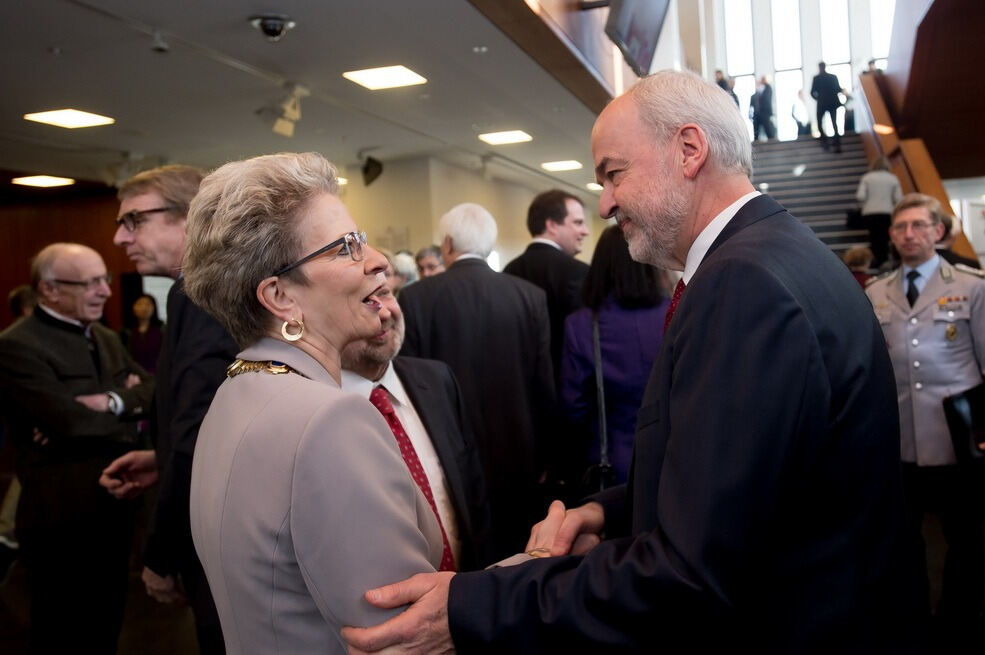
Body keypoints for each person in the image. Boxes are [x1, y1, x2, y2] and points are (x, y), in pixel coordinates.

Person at [343, 69, 919, 654]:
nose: (606, 203)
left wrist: (473, 604)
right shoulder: (775, 253)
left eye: (614, 174)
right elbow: (742, 481)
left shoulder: (742, 285)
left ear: (689, 150)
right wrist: (606, 512)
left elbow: (694, 572)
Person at [180, 151, 447, 654]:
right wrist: (539, 565)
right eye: (346, 248)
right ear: (281, 297)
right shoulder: (331, 419)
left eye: (361, 240)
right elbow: (404, 637)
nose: (378, 260)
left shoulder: (233, 394)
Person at [101, 164, 236, 653]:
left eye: (134, 219)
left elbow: (199, 432)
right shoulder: (199, 291)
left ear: (190, 218)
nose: (120, 237)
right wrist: (160, 459)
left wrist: (160, 554)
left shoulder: (200, 294)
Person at [0, 243, 154, 653]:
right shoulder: (17, 344)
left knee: (106, 627)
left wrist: (114, 403)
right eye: (90, 283)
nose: (105, 291)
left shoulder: (105, 336)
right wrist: (128, 412)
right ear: (49, 290)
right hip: (60, 520)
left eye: (103, 280)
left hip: (114, 510)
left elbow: (155, 391)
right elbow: (69, 421)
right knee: (60, 634)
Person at [398, 202, 555, 560]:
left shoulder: (416, 298)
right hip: (519, 450)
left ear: (448, 245)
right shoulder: (529, 297)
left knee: (468, 555)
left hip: (448, 455)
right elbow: (542, 381)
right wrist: (547, 456)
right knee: (521, 554)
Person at [865, 193, 985, 648]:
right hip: (901, 441)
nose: (908, 235)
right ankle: (913, 623)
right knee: (903, 541)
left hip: (956, 440)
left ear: (939, 231)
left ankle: (960, 625)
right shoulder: (877, 292)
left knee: (966, 540)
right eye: (900, 228)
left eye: (918, 226)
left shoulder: (973, 287)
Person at [340, 277, 494, 570]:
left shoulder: (437, 380)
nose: (384, 312)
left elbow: (474, 498)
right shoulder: (311, 413)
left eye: (385, 293)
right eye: (363, 300)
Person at [559, 225, 669, 484]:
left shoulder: (582, 324)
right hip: (674, 456)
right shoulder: (676, 313)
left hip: (610, 462)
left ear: (600, 267)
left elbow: (573, 407)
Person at [503, 189, 590, 386]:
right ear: (551, 225)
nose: (585, 231)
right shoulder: (577, 272)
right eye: (577, 222)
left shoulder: (509, 270)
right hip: (567, 387)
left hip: (519, 388)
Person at [856, 156, 903, 267]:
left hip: (870, 213)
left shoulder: (867, 177)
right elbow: (899, 198)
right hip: (887, 212)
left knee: (874, 236)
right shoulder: (893, 178)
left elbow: (860, 196)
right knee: (884, 237)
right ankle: (884, 259)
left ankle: (874, 259)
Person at [120, 293, 164, 373]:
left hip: (158, 375)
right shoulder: (126, 332)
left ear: (154, 307)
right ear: (133, 307)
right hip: (134, 377)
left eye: (148, 304)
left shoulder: (162, 330)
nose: (144, 308)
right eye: (140, 304)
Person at [811, 61, 848, 152]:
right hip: (830, 104)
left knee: (825, 123)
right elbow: (838, 89)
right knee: (832, 123)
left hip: (824, 104)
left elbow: (812, 92)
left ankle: (828, 142)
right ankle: (833, 143)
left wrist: (819, 99)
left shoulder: (818, 78)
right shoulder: (832, 77)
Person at [749, 75, 776, 140]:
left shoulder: (767, 88)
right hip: (756, 115)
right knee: (756, 132)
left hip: (765, 113)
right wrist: (750, 115)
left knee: (769, 131)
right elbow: (751, 107)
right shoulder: (753, 96)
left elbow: (766, 100)